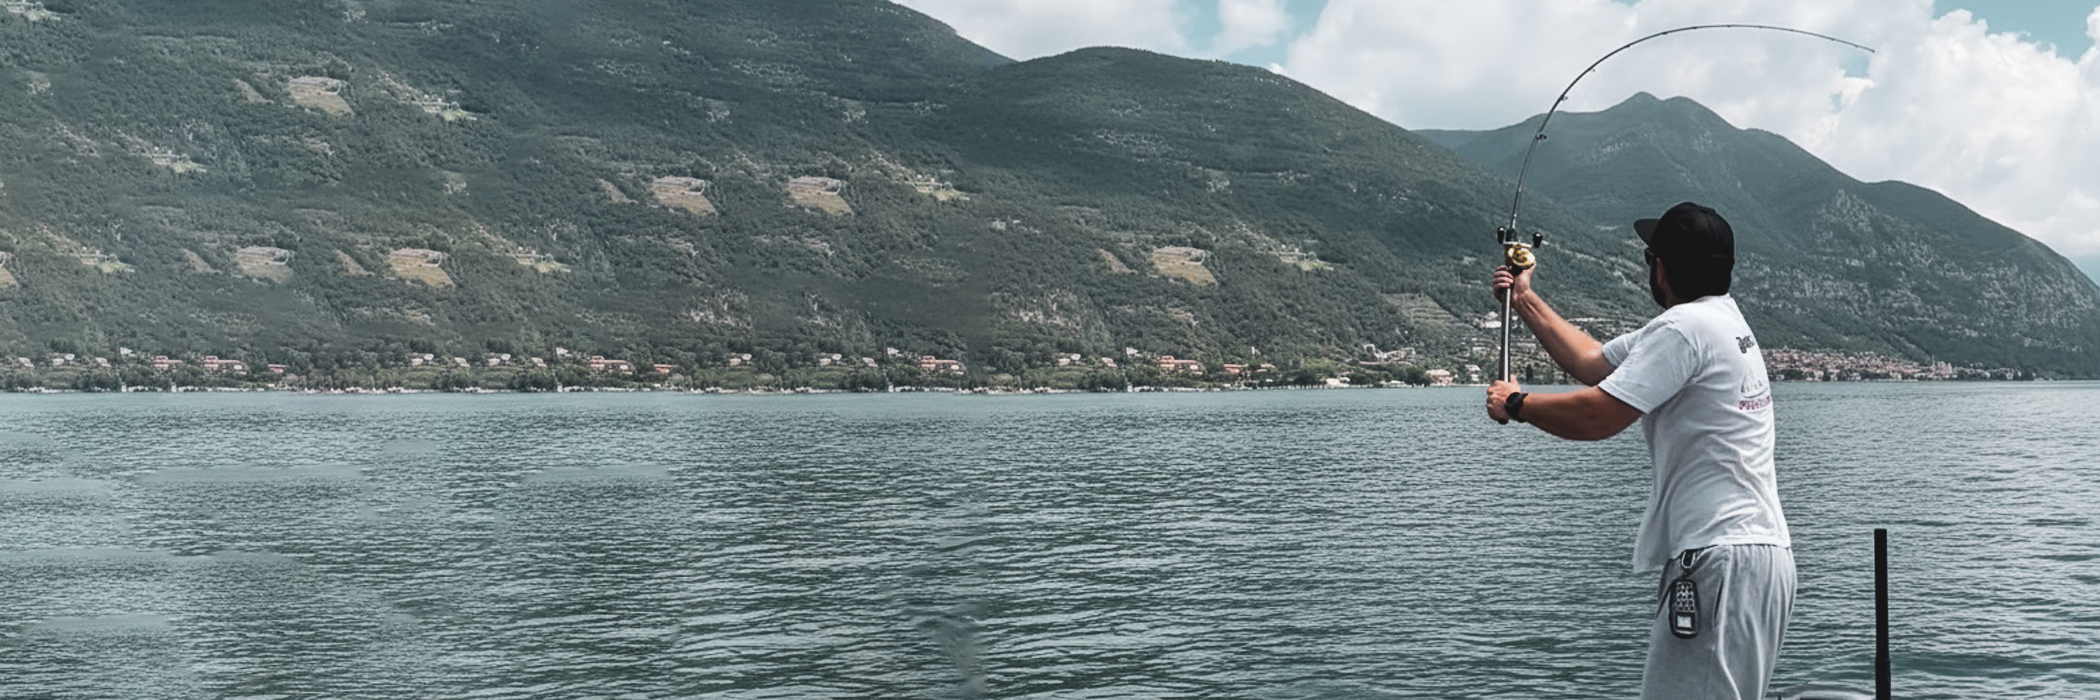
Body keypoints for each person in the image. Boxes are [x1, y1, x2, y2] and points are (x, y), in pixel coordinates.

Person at [1484, 202, 1793, 700]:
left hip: (1718, 558)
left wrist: (1517, 404)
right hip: (1757, 556)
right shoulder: (1718, 322)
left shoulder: (1683, 330)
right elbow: (1592, 364)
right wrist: (1523, 298)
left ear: (1662, 269)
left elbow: (1598, 415)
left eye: (1651, 257)